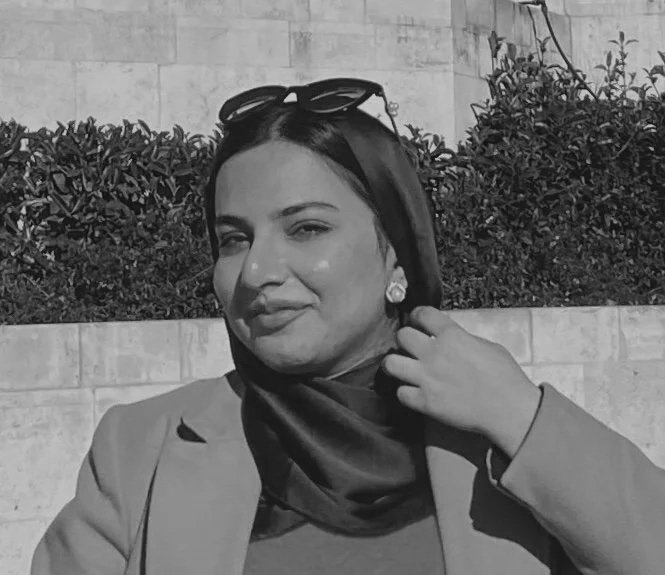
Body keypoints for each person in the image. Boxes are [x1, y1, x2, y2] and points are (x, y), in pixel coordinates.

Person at [31, 78, 665, 575]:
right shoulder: (140, 450)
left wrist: (522, 418)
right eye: (233, 239)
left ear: (397, 255)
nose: (257, 272)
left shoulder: (500, 442)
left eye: (306, 228)